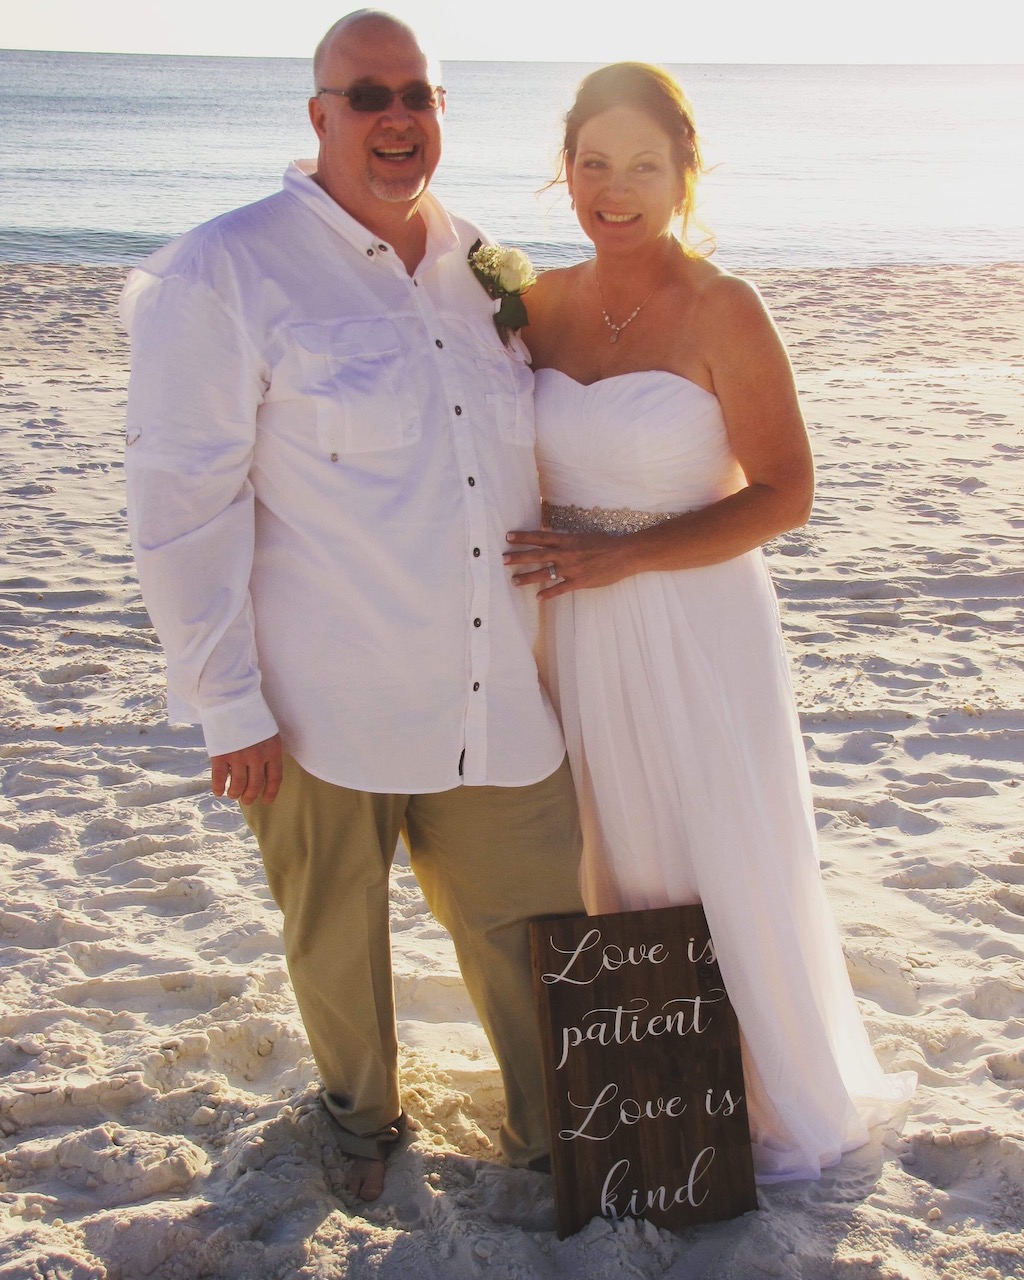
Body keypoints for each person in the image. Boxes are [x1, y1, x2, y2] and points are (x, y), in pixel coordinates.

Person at [121, 10, 583, 1203]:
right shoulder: (225, 268)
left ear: (439, 114)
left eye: (416, 95)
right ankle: (360, 1118)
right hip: (321, 695)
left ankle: (561, 1135)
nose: (395, 118)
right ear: (317, 115)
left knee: (537, 924)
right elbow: (183, 503)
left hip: (496, 691)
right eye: (366, 94)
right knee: (335, 940)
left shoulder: (481, 261)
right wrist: (227, 701)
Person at [504, 62, 915, 1182]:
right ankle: (652, 1106)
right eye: (593, 163)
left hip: (693, 619)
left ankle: (756, 1092)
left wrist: (621, 554)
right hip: (568, 631)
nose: (614, 187)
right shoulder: (532, 305)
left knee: (711, 848)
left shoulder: (724, 307)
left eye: (642, 163)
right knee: (604, 847)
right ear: (566, 171)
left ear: (685, 172)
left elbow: (785, 491)